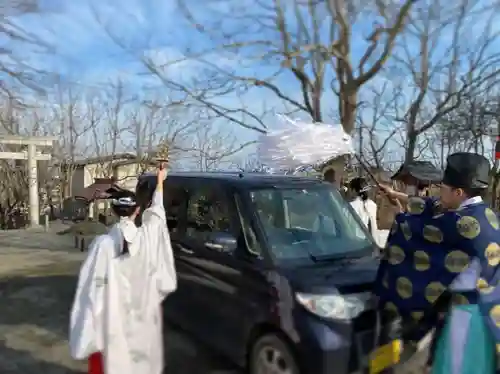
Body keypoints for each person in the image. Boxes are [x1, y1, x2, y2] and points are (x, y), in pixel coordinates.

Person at [375, 152, 500, 374]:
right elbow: (432, 205)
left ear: (459, 192)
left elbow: (417, 230)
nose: (438, 190)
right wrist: (396, 194)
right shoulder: (485, 214)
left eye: (443, 186)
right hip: (487, 310)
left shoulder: (464, 223)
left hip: (468, 316)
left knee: (459, 367)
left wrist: (400, 216)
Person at [69, 163, 177, 374]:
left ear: (113, 209)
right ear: (138, 210)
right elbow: (156, 212)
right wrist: (160, 181)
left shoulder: (103, 245)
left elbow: (92, 291)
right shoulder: (147, 237)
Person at [348, 177, 379, 243]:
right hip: (367, 242)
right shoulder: (372, 204)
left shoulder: (349, 206)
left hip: (353, 242)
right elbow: (374, 227)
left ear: (354, 190)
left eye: (350, 189)